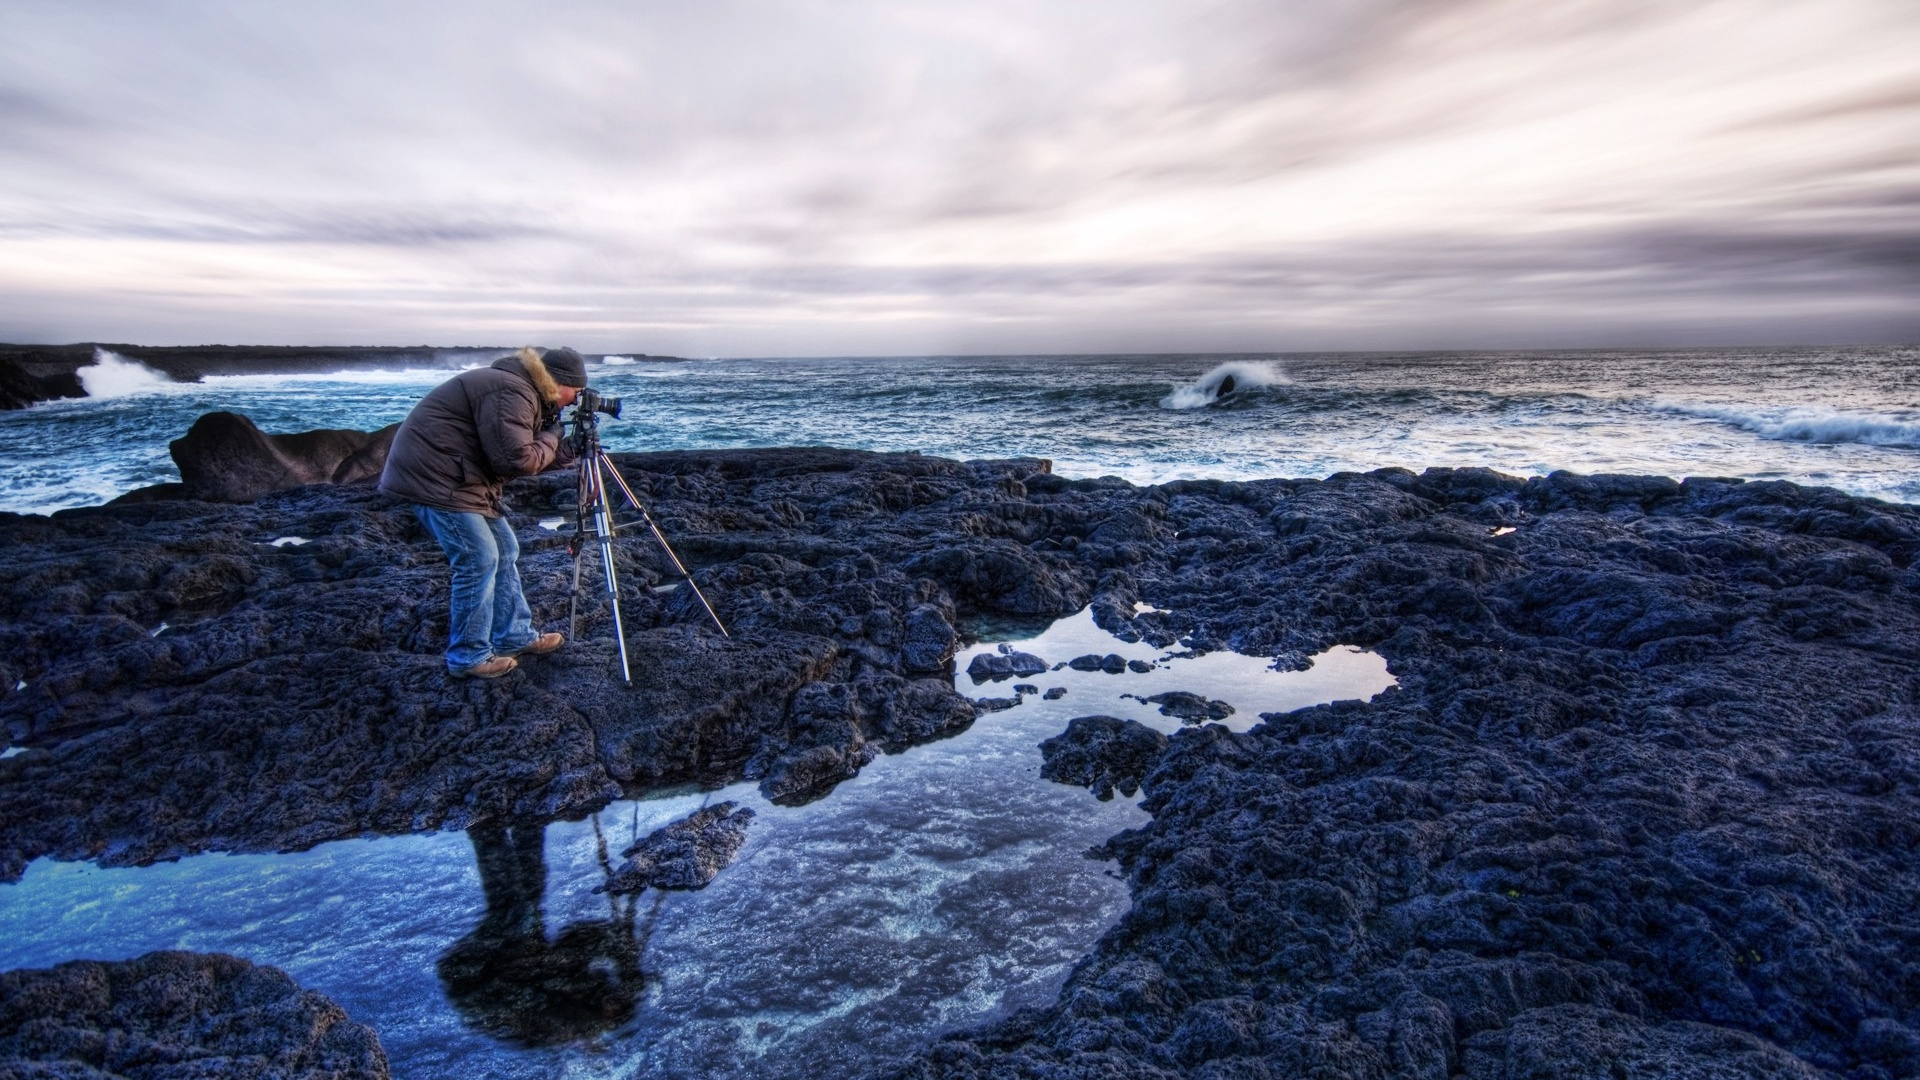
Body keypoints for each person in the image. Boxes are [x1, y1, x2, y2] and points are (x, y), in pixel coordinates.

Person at [380, 346, 588, 678]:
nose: (574, 401)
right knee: (479, 560)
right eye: (575, 393)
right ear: (558, 382)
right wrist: (551, 435)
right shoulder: (512, 390)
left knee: (505, 550)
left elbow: (521, 452)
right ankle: (468, 656)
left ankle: (513, 635)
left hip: (461, 479)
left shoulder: (519, 389)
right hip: (438, 480)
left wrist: (562, 446)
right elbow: (517, 460)